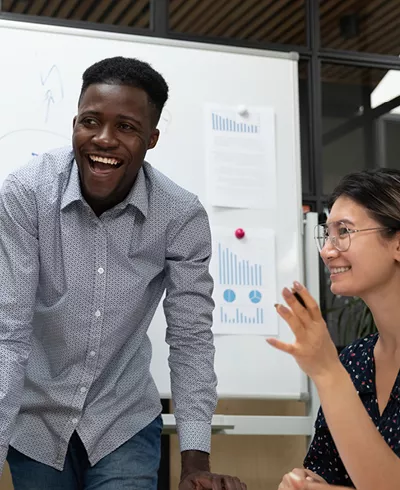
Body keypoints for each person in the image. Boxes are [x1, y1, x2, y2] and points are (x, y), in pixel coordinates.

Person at [0, 56, 246, 490]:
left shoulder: (180, 215)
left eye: (126, 127)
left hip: (122, 420)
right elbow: (9, 332)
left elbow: (190, 339)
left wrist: (195, 465)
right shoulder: (25, 194)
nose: (104, 139)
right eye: (90, 121)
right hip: (35, 421)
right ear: (74, 122)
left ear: (151, 138)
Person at [269, 168, 400, 490]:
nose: (327, 251)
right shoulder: (356, 359)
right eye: (327, 234)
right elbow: (326, 472)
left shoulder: (336, 367)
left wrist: (326, 371)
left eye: (345, 231)